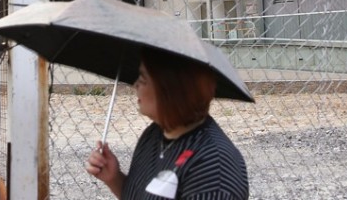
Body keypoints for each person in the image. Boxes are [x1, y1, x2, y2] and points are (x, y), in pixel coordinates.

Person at [85, 49, 248, 199]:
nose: (136, 85)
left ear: (169, 89)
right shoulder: (154, 134)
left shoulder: (213, 169)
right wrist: (114, 178)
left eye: (143, 78)